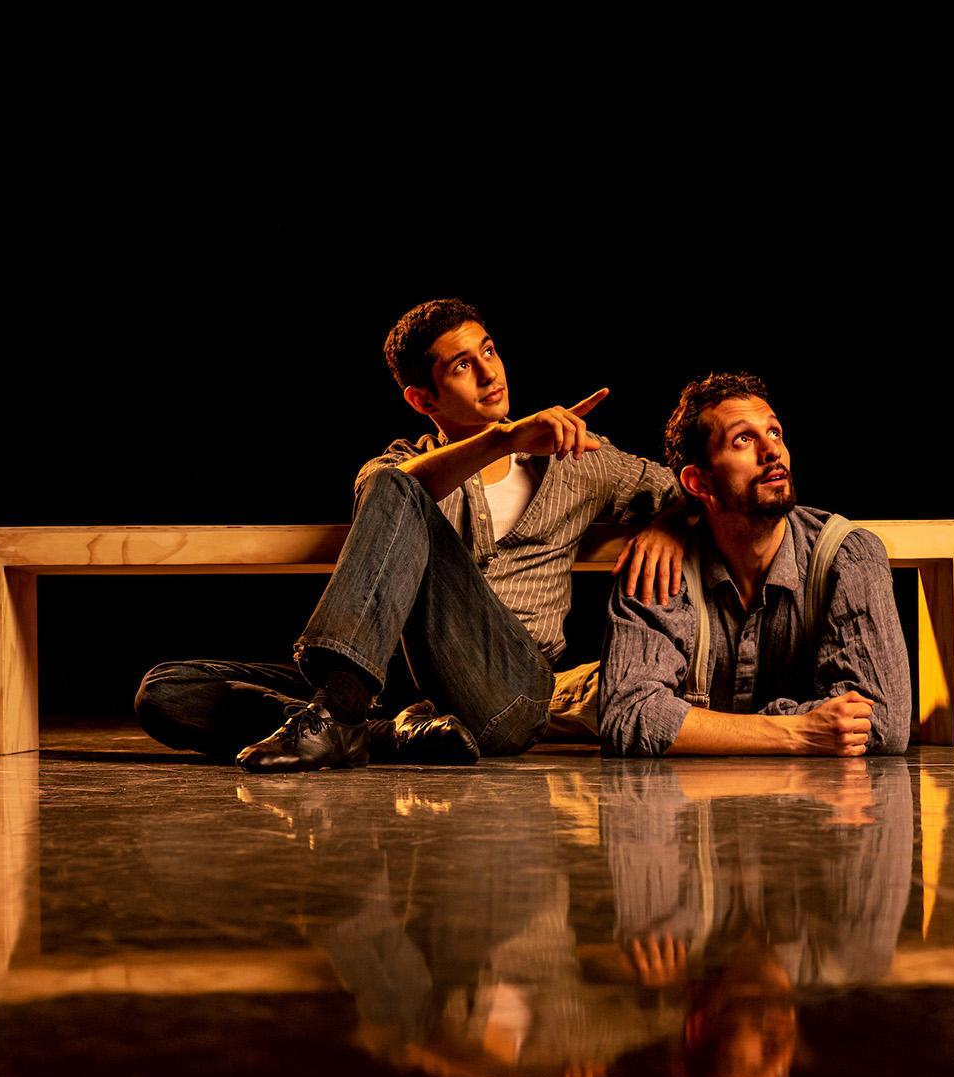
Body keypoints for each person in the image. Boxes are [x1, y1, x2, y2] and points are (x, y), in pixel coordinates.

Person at [135, 298, 687, 771]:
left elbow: (688, 491)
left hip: (509, 695)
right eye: (462, 367)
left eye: (489, 352)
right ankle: (384, 733)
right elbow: (394, 485)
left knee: (396, 491)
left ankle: (345, 713)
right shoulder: (400, 469)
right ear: (424, 400)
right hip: (399, 689)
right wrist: (502, 439)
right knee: (166, 690)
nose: (491, 374)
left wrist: (664, 525)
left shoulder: (577, 460)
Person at [599, 372, 912, 757]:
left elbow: (883, 721)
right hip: (690, 811)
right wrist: (797, 731)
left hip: (813, 813)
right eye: (742, 439)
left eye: (775, 433)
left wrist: (704, 727)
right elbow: (628, 716)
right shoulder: (662, 565)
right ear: (699, 483)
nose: (772, 452)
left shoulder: (847, 555)